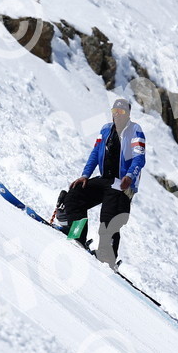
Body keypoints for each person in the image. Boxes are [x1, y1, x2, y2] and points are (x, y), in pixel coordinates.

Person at [52, 99, 146, 268]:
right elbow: (95, 153)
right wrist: (85, 175)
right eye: (115, 111)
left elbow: (139, 158)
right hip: (106, 179)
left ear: (128, 114)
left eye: (121, 112)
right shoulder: (105, 129)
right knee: (76, 194)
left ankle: (107, 256)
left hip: (123, 183)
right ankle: (77, 236)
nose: (117, 115)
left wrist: (129, 176)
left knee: (109, 215)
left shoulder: (135, 131)